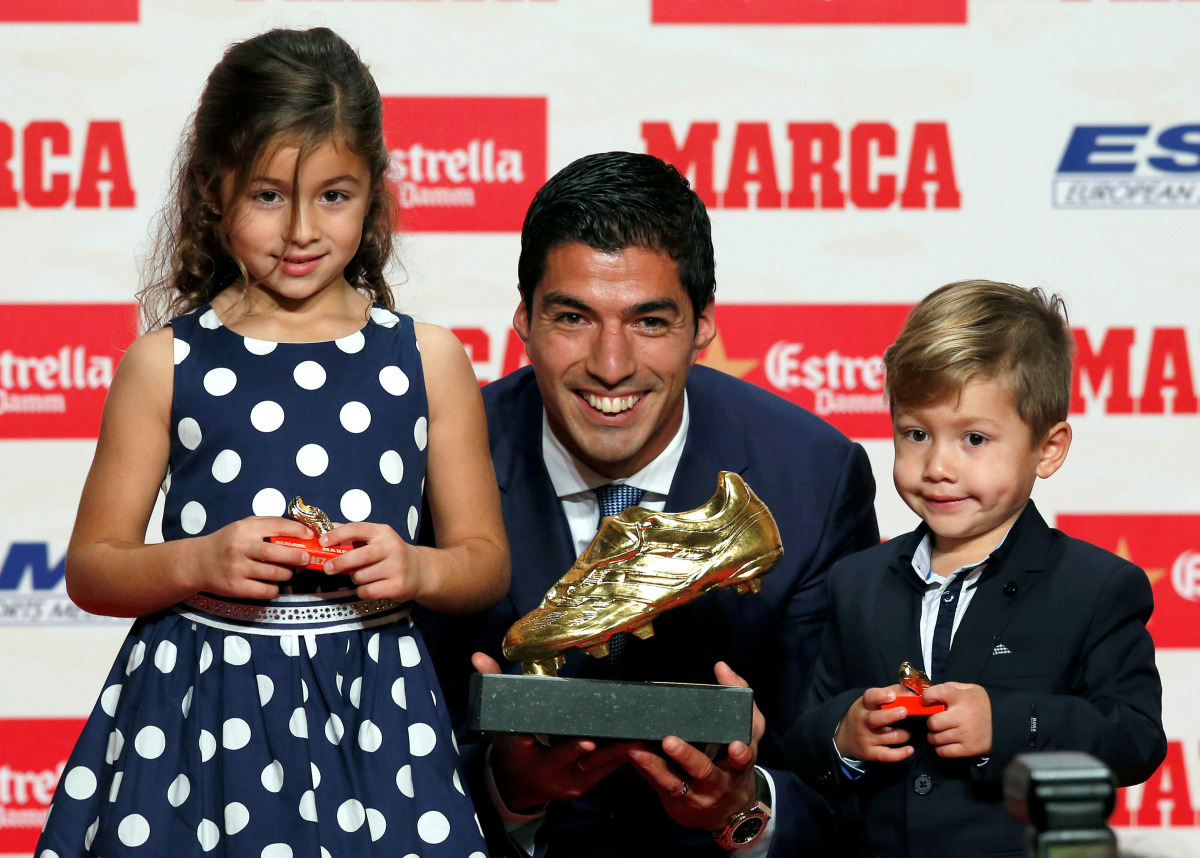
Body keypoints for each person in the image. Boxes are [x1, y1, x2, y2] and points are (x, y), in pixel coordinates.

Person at [36, 28, 508, 857]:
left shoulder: (428, 360)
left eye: (334, 195)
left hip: (378, 714)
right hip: (193, 716)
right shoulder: (164, 364)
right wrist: (195, 560)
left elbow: (485, 561)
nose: (300, 230)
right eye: (266, 195)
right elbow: (92, 566)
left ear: (375, 193)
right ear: (213, 190)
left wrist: (420, 565)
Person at [419, 151, 880, 857]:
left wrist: (742, 808)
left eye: (650, 323)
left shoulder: (812, 480)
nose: (611, 365)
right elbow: (373, 759)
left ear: (702, 328)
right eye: (573, 317)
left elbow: (843, 779)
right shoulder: (434, 465)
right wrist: (507, 790)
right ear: (524, 320)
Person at [782, 280, 1167, 857]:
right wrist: (844, 733)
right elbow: (803, 736)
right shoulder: (856, 581)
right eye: (916, 434)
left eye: (974, 438)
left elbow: (1134, 739)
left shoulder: (1097, 587)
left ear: (1049, 448)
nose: (938, 465)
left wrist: (1006, 723)